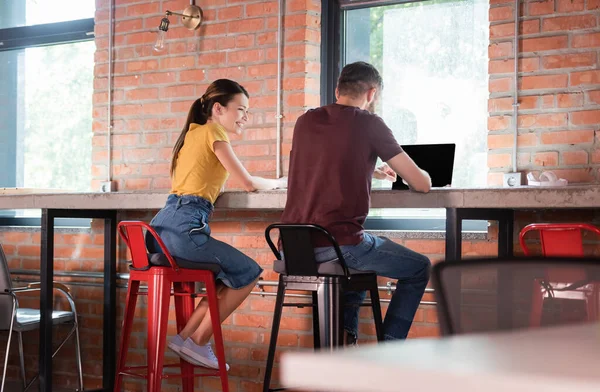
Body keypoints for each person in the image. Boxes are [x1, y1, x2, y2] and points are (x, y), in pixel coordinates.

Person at [281, 61, 432, 343]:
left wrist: (372, 170)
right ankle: (390, 347)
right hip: (336, 244)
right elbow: (421, 184)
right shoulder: (369, 123)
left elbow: (325, 163)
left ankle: (344, 341)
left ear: (337, 90)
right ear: (372, 93)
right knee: (419, 267)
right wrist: (423, 174)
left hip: (293, 248)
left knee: (363, 256)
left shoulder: (306, 121)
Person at [148, 79, 287, 369]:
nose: (246, 118)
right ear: (218, 108)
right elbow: (248, 183)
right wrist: (279, 183)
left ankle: (186, 337)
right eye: (241, 109)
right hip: (185, 228)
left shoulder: (193, 133)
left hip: (162, 227)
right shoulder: (214, 131)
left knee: (228, 276)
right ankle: (199, 342)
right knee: (248, 272)